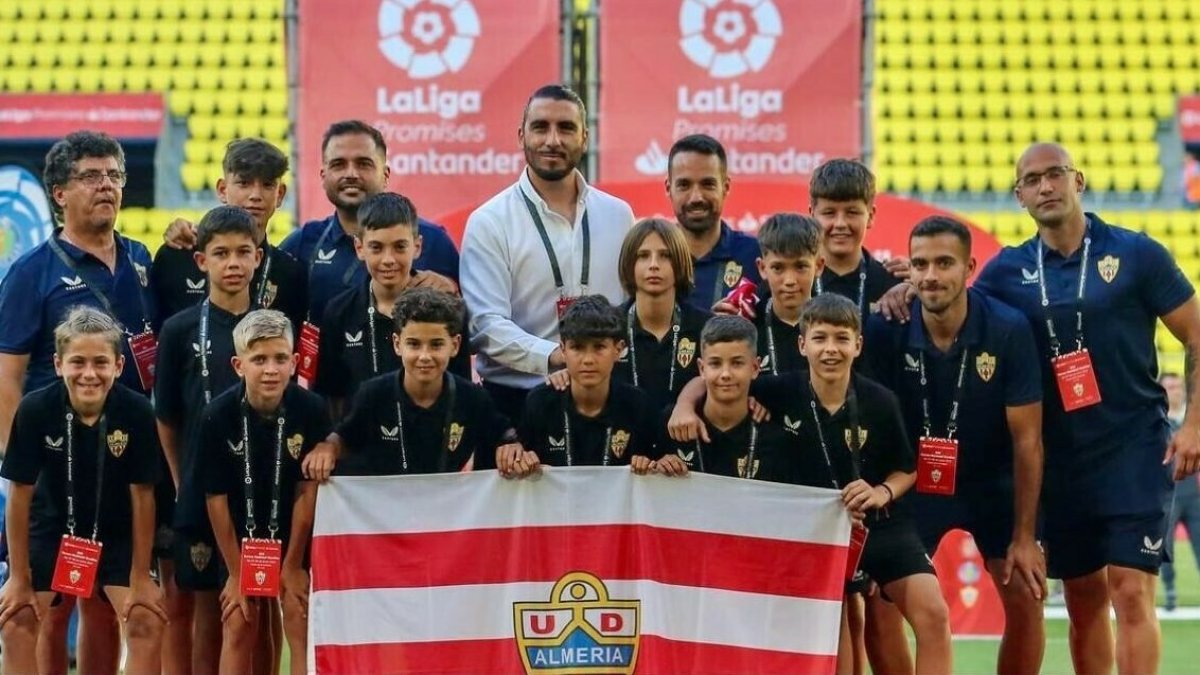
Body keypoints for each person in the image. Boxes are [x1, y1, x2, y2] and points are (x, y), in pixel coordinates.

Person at [970, 142, 1200, 675]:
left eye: (1055, 175)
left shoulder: (1138, 254)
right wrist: (901, 289)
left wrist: (1194, 423)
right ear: (1019, 196)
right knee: (1083, 599)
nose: (1046, 186)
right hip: (1059, 461)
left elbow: (1195, 333)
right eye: (1033, 180)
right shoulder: (1006, 271)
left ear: (1080, 181)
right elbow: (956, 317)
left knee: (1132, 592)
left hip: (1134, 448)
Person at [669, 294, 952, 674]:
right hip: (813, 534)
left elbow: (906, 469)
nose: (830, 349)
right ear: (802, 345)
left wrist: (880, 492)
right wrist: (683, 407)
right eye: (819, 338)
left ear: (858, 344)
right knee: (830, 633)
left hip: (878, 525)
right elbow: (714, 380)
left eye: (840, 338)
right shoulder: (778, 390)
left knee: (933, 612)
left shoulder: (880, 401)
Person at [0, 130, 155, 674]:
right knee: (46, 606)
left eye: (114, 175)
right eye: (91, 176)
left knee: (110, 607)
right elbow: (8, 379)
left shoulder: (140, 258)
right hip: (53, 459)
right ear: (59, 192)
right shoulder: (30, 272)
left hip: (123, 457)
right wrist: (21, 465)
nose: (107, 185)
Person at [864, 216, 1047, 674]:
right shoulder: (888, 328)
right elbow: (873, 429)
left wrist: (1025, 537)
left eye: (944, 263)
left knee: (1025, 592)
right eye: (920, 264)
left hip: (993, 482)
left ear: (970, 267)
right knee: (882, 602)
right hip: (914, 482)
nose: (930, 275)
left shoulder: (1007, 329)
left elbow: (1028, 440)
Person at [0, 307, 166, 675]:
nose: (89, 374)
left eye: (100, 362)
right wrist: (18, 577)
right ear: (58, 364)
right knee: (16, 621)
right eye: (77, 362)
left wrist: (140, 577)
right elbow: (20, 494)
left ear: (119, 366)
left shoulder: (137, 412)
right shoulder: (34, 409)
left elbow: (143, 496)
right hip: (49, 529)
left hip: (116, 533)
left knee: (146, 620)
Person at [160, 121, 460, 323]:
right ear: (323, 176)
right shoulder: (301, 246)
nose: (351, 174)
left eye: (364, 164)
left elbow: (469, 329)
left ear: (385, 174)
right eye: (338, 164)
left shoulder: (434, 241)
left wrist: (453, 292)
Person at [461, 84, 634, 424]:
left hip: (608, 401)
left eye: (566, 128)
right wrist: (556, 356)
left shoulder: (618, 215)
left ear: (584, 137)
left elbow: (632, 309)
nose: (553, 140)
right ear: (521, 135)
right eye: (541, 127)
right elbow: (485, 324)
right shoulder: (489, 221)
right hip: (516, 401)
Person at [154, 205, 263, 674]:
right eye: (221, 253)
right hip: (198, 494)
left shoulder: (272, 327)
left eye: (243, 252)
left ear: (258, 257)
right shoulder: (179, 329)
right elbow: (167, 417)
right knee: (202, 610)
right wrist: (183, 482)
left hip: (261, 491)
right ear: (202, 262)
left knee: (254, 610)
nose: (233, 263)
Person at [201, 310, 330, 675]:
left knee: (297, 608)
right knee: (239, 617)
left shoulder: (312, 409)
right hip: (238, 532)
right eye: (259, 360)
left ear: (295, 362)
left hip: (292, 530)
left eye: (280, 359)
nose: (270, 369)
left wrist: (292, 565)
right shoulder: (217, 415)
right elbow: (215, 498)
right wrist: (235, 571)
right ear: (238, 364)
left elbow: (308, 489)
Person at [308, 288, 518, 478]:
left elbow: (504, 436)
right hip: (386, 509)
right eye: (414, 344)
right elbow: (344, 438)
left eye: (436, 345)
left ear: (455, 345)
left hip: (447, 510)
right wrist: (328, 448)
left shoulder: (472, 398)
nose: (424, 356)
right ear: (397, 344)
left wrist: (512, 448)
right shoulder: (373, 394)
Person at [315, 192, 469, 418]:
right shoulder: (339, 312)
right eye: (376, 248)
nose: (388, 259)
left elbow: (462, 391)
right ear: (359, 248)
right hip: (360, 446)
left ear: (417, 246)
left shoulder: (449, 311)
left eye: (399, 247)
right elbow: (332, 395)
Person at [151, 138, 307, 329]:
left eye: (267, 185)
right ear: (223, 190)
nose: (255, 195)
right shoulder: (175, 258)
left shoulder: (290, 273)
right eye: (244, 183)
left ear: (280, 194)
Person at [514, 295, 654, 468]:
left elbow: (656, 474)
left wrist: (655, 465)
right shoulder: (540, 403)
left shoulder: (637, 405)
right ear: (563, 350)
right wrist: (523, 464)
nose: (588, 359)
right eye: (577, 348)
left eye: (599, 347)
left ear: (618, 349)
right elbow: (520, 468)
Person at [609, 218, 711, 413]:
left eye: (665, 256)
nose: (654, 265)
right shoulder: (607, 327)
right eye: (643, 255)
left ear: (680, 262)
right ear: (629, 263)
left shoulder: (707, 327)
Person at [664, 134, 762, 310]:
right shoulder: (653, 257)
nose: (696, 197)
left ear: (726, 187)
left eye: (707, 184)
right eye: (684, 185)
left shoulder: (755, 255)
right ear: (668, 188)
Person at [809, 159, 907, 324]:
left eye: (852, 212)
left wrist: (917, 283)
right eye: (829, 213)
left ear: (871, 216)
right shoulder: (793, 285)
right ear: (812, 215)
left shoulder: (894, 286)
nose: (840, 224)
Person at [750, 213, 824, 375]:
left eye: (800, 266)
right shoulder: (747, 325)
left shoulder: (835, 324)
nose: (789, 280)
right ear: (762, 268)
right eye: (778, 268)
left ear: (818, 266)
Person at [1159, 372, 1198, 610]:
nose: (1174, 391)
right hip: (1168, 494)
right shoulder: (1158, 419)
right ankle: (1170, 592)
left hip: (1193, 494)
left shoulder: (1193, 421)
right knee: (1166, 550)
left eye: (1176, 386)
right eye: (1169, 387)